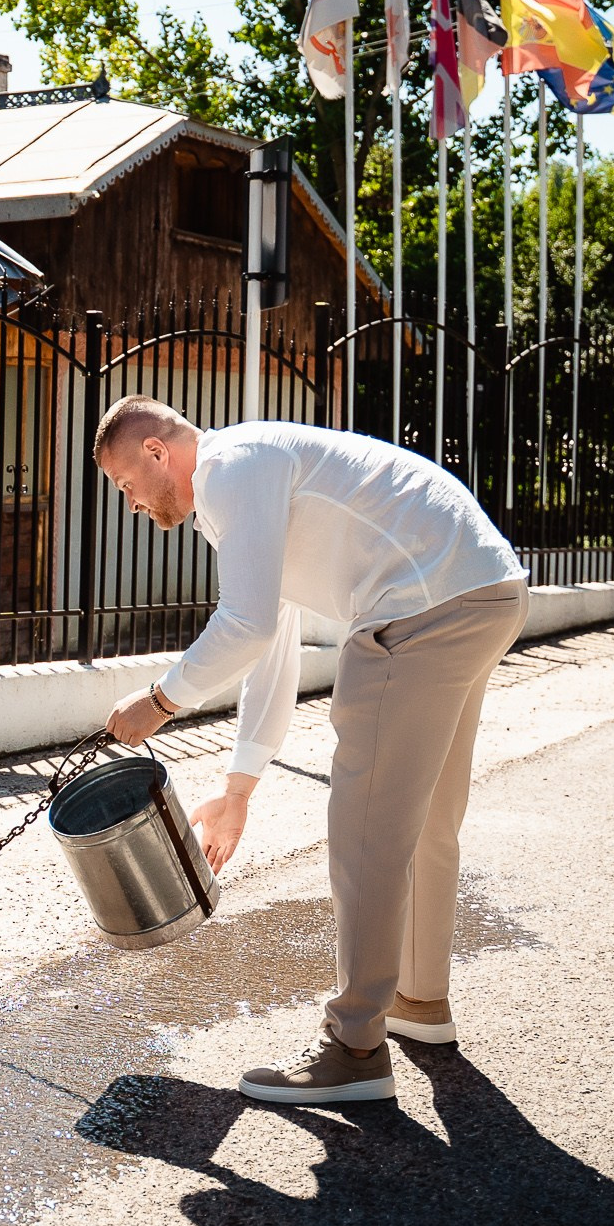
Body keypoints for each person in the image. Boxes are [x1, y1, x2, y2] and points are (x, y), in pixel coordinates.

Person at [95, 397, 527, 1106]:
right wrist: (239, 788)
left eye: (125, 485)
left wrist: (161, 697)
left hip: (417, 603)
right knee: (421, 821)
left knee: (364, 830)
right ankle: (418, 1002)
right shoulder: (250, 470)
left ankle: (355, 1044)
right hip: (480, 587)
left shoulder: (229, 470)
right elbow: (272, 638)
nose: (132, 504)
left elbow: (245, 623)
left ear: (155, 452)